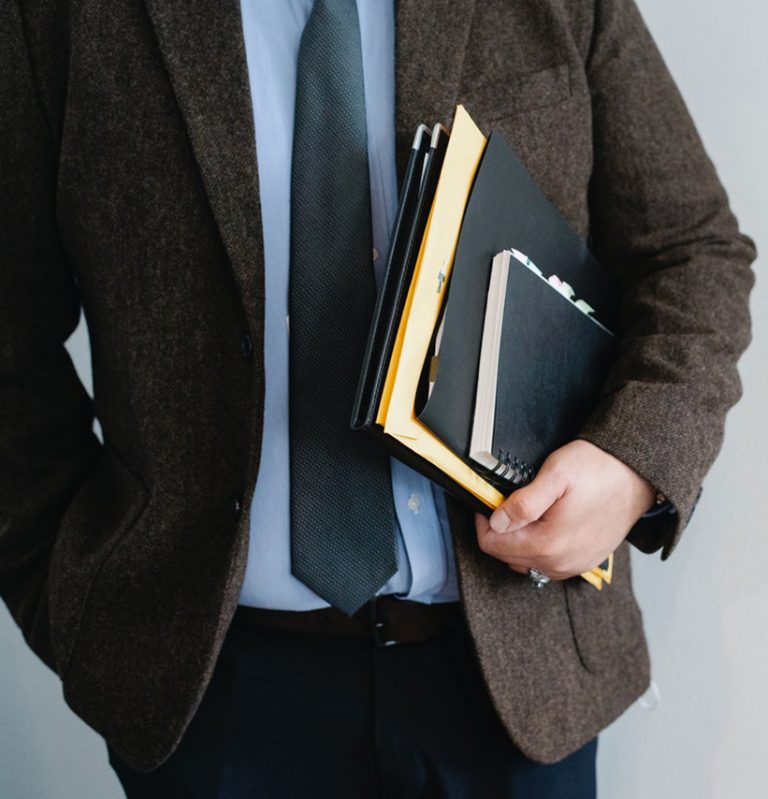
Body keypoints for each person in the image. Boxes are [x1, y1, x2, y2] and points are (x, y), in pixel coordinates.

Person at [0, 0, 756, 797]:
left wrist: (634, 461)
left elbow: (690, 251)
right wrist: (77, 608)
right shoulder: (61, 17)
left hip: (513, 675)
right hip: (210, 696)